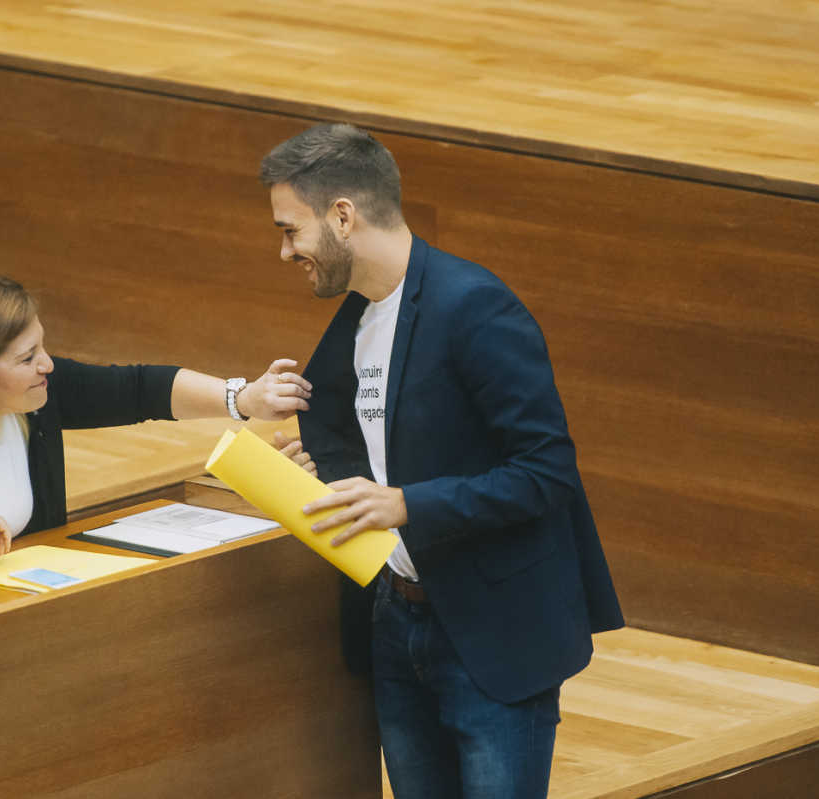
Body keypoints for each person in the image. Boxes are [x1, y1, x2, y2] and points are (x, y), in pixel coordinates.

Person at [259, 123, 623, 798]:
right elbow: (374, 448)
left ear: (343, 216)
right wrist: (321, 474)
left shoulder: (475, 307)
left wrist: (407, 504)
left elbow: (547, 471)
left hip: (492, 635)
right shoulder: (355, 323)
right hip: (396, 624)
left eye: (291, 230)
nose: (285, 251)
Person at [0, 270, 314, 587]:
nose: (48, 365)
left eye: (43, 347)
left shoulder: (34, 399)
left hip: (26, 612)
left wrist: (243, 398)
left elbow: (140, 389)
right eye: (28, 357)